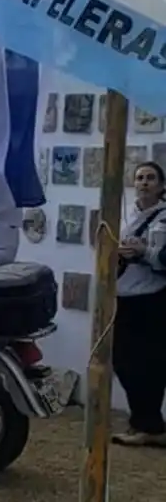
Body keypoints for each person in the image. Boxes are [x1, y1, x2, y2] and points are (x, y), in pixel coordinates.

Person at [112, 160, 166, 447]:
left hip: (151, 298)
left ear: (161, 186)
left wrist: (144, 252)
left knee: (151, 364)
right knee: (122, 360)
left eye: (150, 178)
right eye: (140, 177)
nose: (144, 182)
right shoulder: (126, 216)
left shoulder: (163, 217)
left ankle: (148, 424)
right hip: (125, 295)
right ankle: (145, 419)